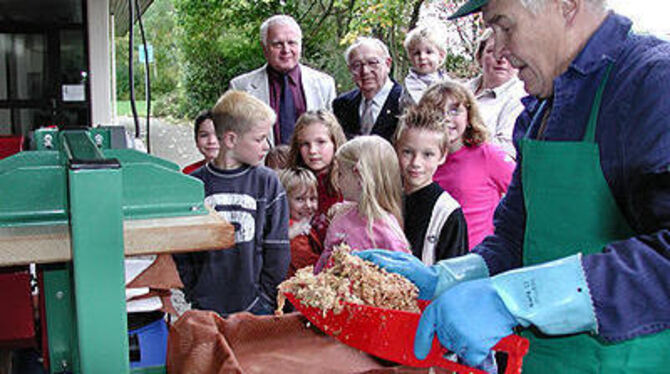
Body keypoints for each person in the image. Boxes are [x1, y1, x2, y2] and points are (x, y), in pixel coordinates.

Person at [357, 0, 670, 372]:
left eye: (505, 26)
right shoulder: (542, 106)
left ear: (566, 5)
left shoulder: (652, 84)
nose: (499, 50)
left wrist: (514, 298)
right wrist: (451, 278)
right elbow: (514, 238)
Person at [173, 90, 290, 316]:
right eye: (259, 138)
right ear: (230, 139)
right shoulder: (193, 185)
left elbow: (277, 247)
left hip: (256, 306)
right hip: (205, 306)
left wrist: (265, 298)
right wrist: (193, 292)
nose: (266, 146)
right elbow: (181, 249)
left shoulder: (268, 183)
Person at [422, 81, 514, 250]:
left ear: (469, 116)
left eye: (454, 110)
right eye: (437, 112)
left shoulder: (488, 155)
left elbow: (522, 194)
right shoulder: (421, 161)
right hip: (434, 256)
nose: (446, 118)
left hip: (476, 258)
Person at [230, 15, 337, 146]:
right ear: (264, 48)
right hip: (261, 165)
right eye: (277, 44)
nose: (286, 50)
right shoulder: (241, 87)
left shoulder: (324, 85)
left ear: (300, 46)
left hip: (311, 164)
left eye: (292, 43)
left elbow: (332, 136)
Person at [314, 135, 410, 273]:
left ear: (359, 176)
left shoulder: (386, 231)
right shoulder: (341, 215)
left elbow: (405, 275)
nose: (337, 181)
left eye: (340, 173)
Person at [394, 105, 468, 264]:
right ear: (397, 150)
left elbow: (454, 275)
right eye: (407, 152)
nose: (416, 163)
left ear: (442, 156)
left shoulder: (447, 212)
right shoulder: (387, 198)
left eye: (427, 154)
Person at [287, 110, 346, 242]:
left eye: (321, 142)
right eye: (305, 144)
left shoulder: (348, 184)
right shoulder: (291, 183)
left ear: (335, 143)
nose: (312, 151)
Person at [468, 28, 526, 159]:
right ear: (479, 56)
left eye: (509, 53)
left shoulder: (521, 99)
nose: (501, 59)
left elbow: (506, 151)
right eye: (492, 51)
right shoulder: (460, 90)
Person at [332, 37, 402, 142]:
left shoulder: (404, 102)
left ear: (388, 64)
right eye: (357, 65)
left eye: (372, 63)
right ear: (350, 70)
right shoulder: (342, 105)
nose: (365, 71)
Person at [278, 167, 323, 278]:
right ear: (284, 201)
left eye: (312, 199)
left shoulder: (305, 227)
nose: (308, 205)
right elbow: (313, 268)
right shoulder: (294, 236)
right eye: (300, 199)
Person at [399, 23, 453, 110]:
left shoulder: (445, 79)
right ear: (410, 57)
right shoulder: (412, 83)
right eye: (417, 53)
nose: (422, 57)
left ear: (441, 56)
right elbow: (423, 106)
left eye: (429, 52)